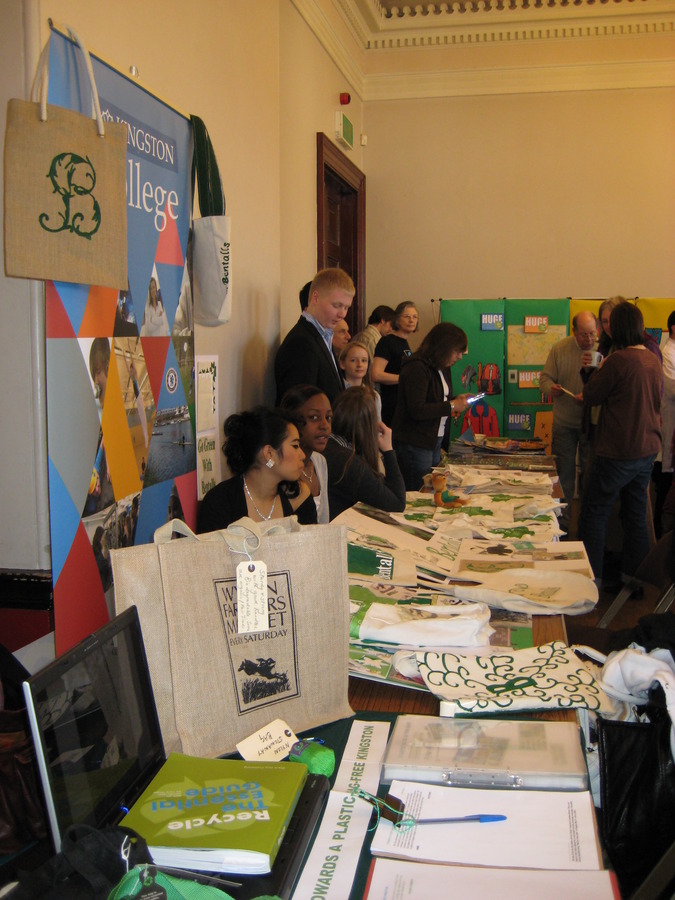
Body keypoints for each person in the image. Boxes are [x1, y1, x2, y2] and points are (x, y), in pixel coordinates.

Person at [578, 303, 662, 587]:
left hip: (618, 450)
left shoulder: (619, 360)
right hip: (647, 448)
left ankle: (592, 581)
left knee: (594, 513)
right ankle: (635, 581)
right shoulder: (651, 359)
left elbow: (591, 396)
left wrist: (589, 372)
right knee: (635, 513)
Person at [197, 407, 317, 533]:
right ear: (269, 453)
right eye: (295, 446)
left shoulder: (299, 496)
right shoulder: (220, 502)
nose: (302, 455)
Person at [538, 310, 597, 536]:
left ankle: (586, 525)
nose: (589, 340)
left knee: (590, 474)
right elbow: (544, 379)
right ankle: (561, 525)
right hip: (564, 422)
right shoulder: (560, 349)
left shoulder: (601, 351)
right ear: (574, 332)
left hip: (590, 422)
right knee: (564, 476)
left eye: (592, 334)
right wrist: (551, 389)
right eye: (584, 335)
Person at [392, 322, 471, 491]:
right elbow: (417, 409)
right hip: (415, 442)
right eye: (457, 351)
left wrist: (457, 401)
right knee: (419, 492)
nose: (460, 357)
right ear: (444, 347)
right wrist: (451, 405)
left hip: (435, 440)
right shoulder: (416, 366)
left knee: (434, 491)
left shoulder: (443, 367)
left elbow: (438, 400)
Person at [324, 386, 406, 520]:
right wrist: (388, 450)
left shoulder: (330, 446)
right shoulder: (350, 463)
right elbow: (397, 503)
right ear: (369, 425)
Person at [275, 268, 355, 404]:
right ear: (315, 298)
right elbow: (299, 407)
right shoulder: (301, 343)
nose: (342, 314)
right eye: (337, 305)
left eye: (346, 307)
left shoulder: (323, 335)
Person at [280, 385, 332, 524]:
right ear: (293, 421)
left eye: (328, 417)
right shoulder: (281, 468)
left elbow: (323, 523)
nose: (324, 425)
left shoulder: (319, 461)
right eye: (314, 417)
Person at [372, 301, 418, 426]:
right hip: (390, 405)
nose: (411, 320)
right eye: (407, 316)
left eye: (415, 317)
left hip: (403, 404)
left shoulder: (405, 343)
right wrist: (404, 379)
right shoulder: (387, 342)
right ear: (397, 319)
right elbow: (376, 374)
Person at [655, 310, 675, 535]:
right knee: (666, 488)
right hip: (669, 429)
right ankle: (662, 538)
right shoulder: (667, 353)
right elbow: (671, 388)